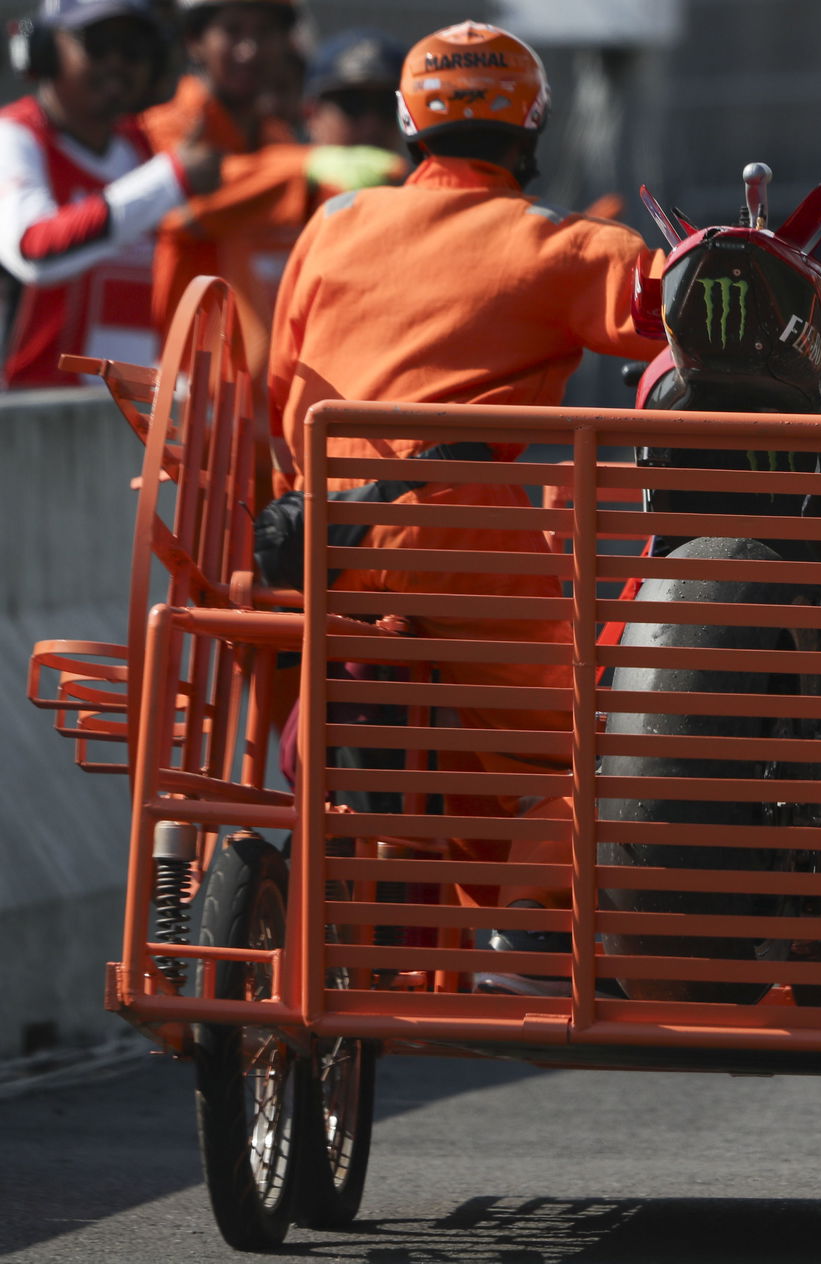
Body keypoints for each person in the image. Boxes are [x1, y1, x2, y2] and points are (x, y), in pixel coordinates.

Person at [265, 19, 666, 991]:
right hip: (470, 544)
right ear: (532, 129)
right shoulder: (561, 247)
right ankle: (532, 926)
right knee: (586, 744)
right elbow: (692, 307)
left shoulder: (333, 227)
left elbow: (283, 386)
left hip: (331, 544)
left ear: (408, 126)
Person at [143, 0, 400, 367]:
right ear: (195, 40)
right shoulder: (164, 125)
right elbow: (186, 204)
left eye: (264, 33)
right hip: (177, 384)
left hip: (250, 393)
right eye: (232, 31)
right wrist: (307, 165)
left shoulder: (278, 140)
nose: (250, 49)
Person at [0, 0, 219, 387]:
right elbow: (34, 251)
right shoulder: (14, 136)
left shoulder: (144, 148)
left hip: (124, 419)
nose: (117, 63)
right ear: (46, 49)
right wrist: (169, 179)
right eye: (98, 44)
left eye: (134, 48)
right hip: (24, 419)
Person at [300, 27, 404, 154]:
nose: (371, 125)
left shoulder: (427, 173)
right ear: (311, 115)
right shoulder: (276, 171)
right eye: (353, 104)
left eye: (388, 104)